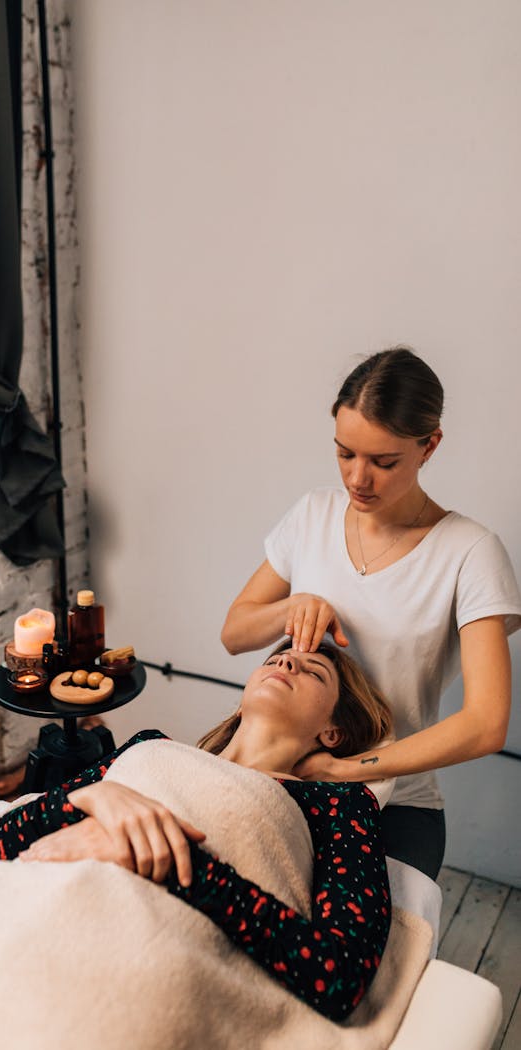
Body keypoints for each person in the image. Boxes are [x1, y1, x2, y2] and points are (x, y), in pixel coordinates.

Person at [0, 641, 393, 1022]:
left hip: (137, 969)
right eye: (278, 658)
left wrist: (156, 855)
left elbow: (339, 975)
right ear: (241, 704)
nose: (285, 662)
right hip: (25, 924)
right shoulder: (149, 747)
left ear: (332, 732)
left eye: (314, 671)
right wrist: (86, 799)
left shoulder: (339, 804)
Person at [221, 346, 521, 881]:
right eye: (344, 454)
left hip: (398, 804)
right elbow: (234, 632)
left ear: (429, 445)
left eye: (384, 462)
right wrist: (293, 604)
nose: (358, 478)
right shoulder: (312, 514)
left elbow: (486, 724)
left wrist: (344, 771)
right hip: (278, 780)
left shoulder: (470, 552)